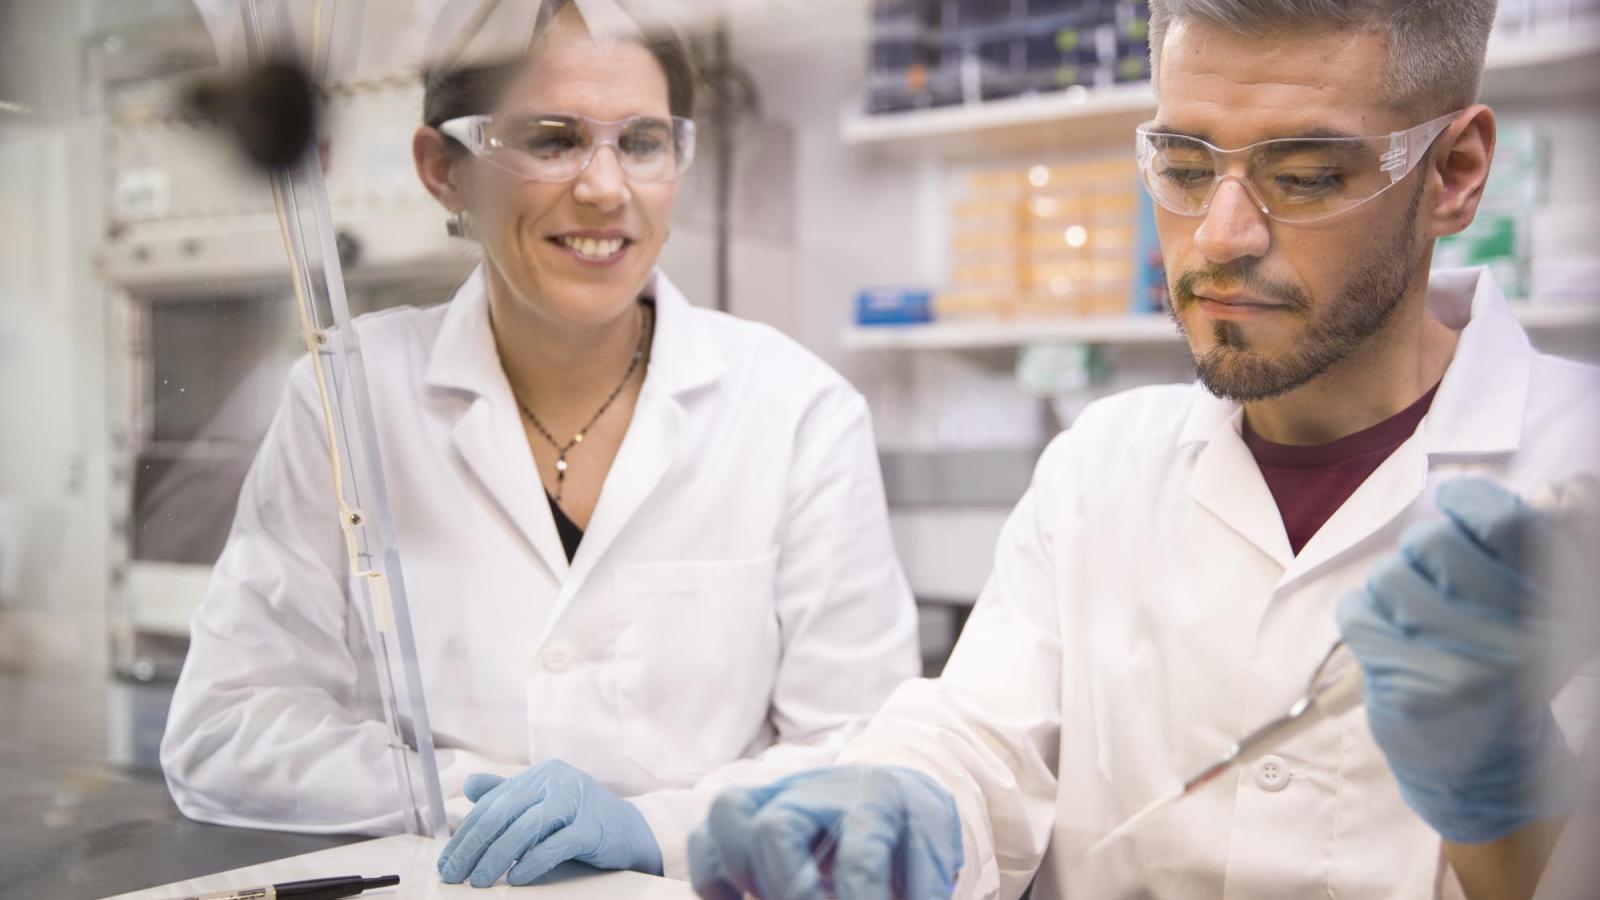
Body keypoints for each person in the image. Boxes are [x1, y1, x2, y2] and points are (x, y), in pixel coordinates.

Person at [686, 1, 1600, 898]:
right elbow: (980, 750)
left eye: (1308, 173)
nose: (1218, 237)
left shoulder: (1577, 463)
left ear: (1455, 172)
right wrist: (904, 801)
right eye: (1184, 164)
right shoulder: (1100, 465)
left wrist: (1514, 798)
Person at [159, 2, 920, 889]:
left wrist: (648, 826)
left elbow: (864, 751)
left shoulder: (796, 409)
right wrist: (482, 799)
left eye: (642, 141)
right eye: (552, 139)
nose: (605, 188)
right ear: (443, 170)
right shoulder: (349, 395)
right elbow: (224, 730)